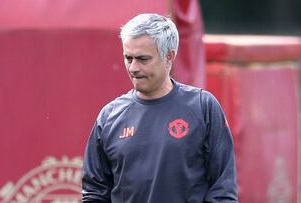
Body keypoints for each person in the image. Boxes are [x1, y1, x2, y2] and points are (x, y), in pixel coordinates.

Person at [82, 13, 238, 202]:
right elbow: (95, 192)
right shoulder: (109, 116)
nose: (133, 67)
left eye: (143, 59)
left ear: (169, 57)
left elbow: (223, 189)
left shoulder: (202, 107)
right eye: (128, 58)